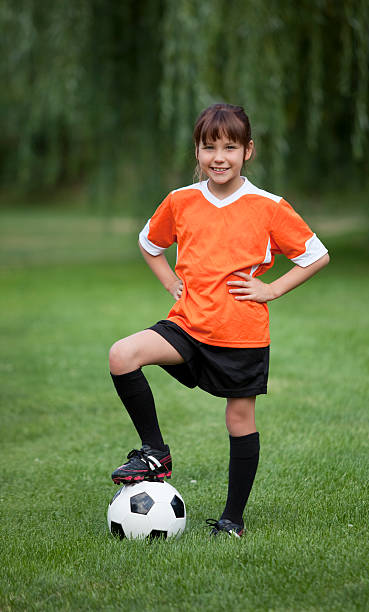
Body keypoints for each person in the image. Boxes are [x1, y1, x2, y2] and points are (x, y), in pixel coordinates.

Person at [109, 103, 330, 538]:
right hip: (188, 325)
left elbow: (315, 255)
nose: (219, 157)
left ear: (249, 150)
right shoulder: (180, 200)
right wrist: (172, 281)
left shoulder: (267, 206)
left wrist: (272, 290)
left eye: (230, 146)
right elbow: (149, 244)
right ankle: (155, 451)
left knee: (239, 421)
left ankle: (232, 519)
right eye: (209, 147)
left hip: (241, 334)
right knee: (122, 355)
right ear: (197, 152)